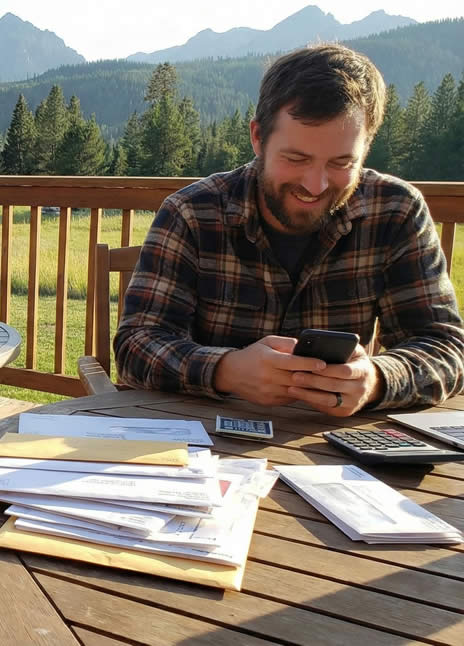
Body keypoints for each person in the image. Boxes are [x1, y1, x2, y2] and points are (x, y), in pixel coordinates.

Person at [113, 43, 464, 416]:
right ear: (257, 138)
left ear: (366, 148)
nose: (316, 184)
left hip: (334, 453)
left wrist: (376, 378)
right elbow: (136, 345)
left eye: (342, 162)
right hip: (204, 444)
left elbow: (444, 347)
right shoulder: (193, 213)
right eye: (296, 158)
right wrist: (225, 371)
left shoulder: (395, 211)